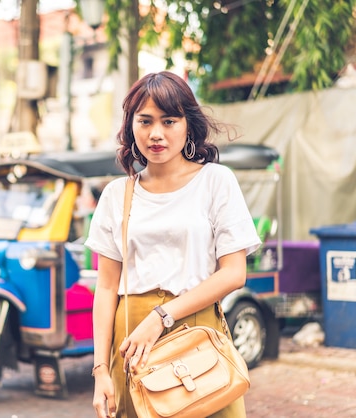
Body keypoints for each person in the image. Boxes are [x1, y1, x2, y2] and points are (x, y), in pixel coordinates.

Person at [85, 71, 261, 418]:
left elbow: (234, 273)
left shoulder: (215, 181)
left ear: (188, 125)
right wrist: (100, 369)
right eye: (145, 121)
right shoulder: (116, 195)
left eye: (169, 120)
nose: (156, 134)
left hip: (196, 330)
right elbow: (106, 288)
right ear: (130, 126)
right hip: (132, 342)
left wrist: (161, 316)